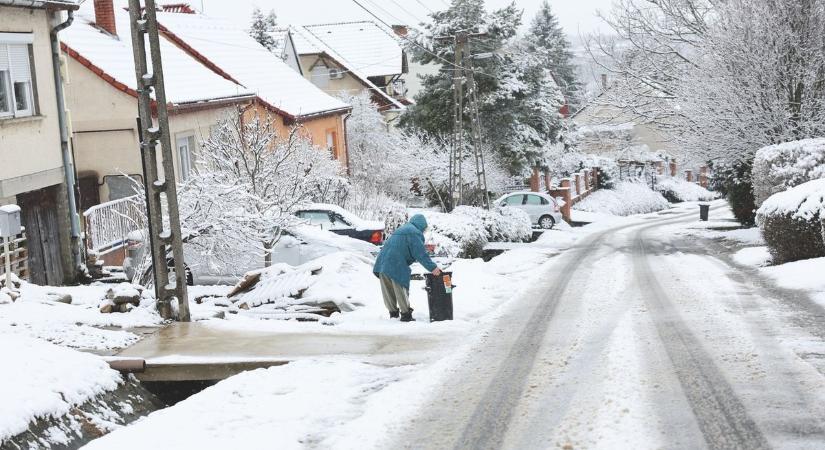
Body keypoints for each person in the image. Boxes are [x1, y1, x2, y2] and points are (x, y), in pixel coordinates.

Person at [373, 214, 441, 322]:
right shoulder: (414, 232)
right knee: (400, 288)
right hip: (396, 263)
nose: (423, 231)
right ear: (422, 225)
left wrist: (424, 248)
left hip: (382, 262)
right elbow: (420, 254)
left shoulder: (403, 229)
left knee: (388, 290)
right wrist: (433, 268)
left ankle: (393, 314)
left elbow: (403, 246)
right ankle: (406, 315)